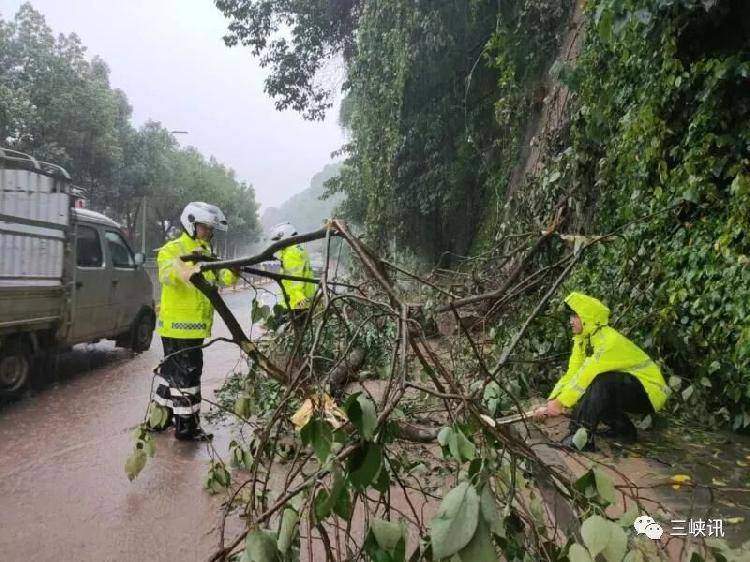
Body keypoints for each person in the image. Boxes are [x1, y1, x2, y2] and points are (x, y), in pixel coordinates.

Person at [533, 292, 669, 450]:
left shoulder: (608, 341)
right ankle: (624, 431)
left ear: (586, 317)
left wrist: (560, 403)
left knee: (601, 382)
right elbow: (572, 374)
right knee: (597, 386)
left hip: (651, 392)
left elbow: (585, 375)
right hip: (631, 387)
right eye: (570, 317)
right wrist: (552, 400)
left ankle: (580, 439)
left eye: (575, 316)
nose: (570, 321)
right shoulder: (582, 341)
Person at [150, 202, 238, 441]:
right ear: (191, 223)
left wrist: (235, 268)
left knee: (172, 374)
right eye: (205, 228)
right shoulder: (174, 248)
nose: (209, 232)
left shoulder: (207, 252)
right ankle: (186, 428)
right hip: (178, 327)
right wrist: (189, 269)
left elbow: (227, 279)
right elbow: (166, 274)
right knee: (188, 377)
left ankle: (159, 420)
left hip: (193, 328)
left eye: (210, 229)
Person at [269, 222, 316, 326]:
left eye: (277, 240)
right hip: (301, 301)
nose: (276, 244)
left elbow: (295, 277)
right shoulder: (298, 248)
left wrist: (299, 297)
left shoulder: (291, 252)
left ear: (284, 235)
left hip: (295, 302)